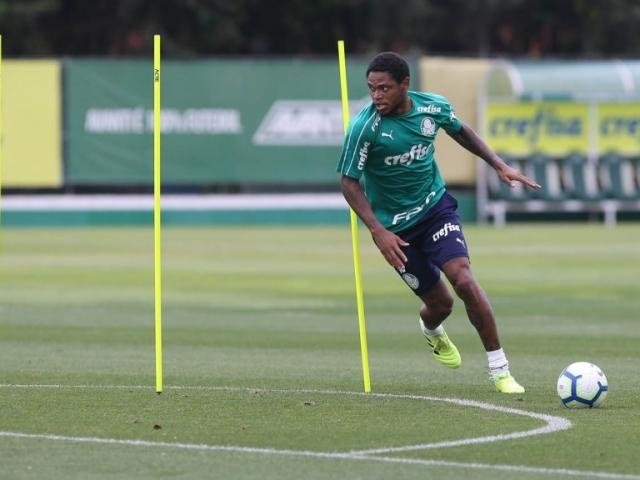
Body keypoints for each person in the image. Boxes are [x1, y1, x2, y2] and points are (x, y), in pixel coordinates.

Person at [336, 52, 540, 393]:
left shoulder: (432, 107)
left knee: (464, 279)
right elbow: (348, 182)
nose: (377, 96)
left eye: (384, 88)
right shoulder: (364, 128)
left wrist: (498, 164)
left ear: (405, 84)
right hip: (395, 231)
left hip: (435, 210)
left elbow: (461, 132)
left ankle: (500, 370)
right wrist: (377, 231)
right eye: (371, 88)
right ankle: (431, 330)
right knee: (441, 305)